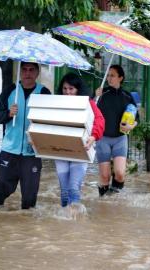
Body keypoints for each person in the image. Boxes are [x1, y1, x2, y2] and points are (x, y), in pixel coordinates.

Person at [0, 62, 51, 209]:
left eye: (31, 70)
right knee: (0, 190)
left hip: (32, 152)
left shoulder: (44, 93)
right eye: (24, 70)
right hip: (9, 150)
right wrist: (8, 114)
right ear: (20, 72)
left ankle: (27, 229)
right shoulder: (10, 90)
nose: (28, 73)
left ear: (37, 73)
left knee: (30, 198)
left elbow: (51, 122)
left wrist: (41, 139)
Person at [55, 73, 104, 209]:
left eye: (71, 89)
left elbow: (100, 120)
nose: (67, 92)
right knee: (64, 191)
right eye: (65, 89)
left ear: (78, 89)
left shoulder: (89, 103)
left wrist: (93, 136)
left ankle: (75, 221)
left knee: (73, 188)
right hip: (60, 151)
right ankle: (65, 220)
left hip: (81, 150)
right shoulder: (56, 103)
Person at [95, 65, 138, 196]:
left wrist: (132, 126)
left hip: (120, 138)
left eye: (112, 75)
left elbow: (137, 118)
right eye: (108, 75)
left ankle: (114, 199)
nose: (109, 78)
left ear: (121, 78)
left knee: (120, 174)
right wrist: (94, 97)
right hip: (103, 138)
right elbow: (90, 113)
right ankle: (104, 201)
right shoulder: (101, 94)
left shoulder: (127, 96)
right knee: (105, 176)